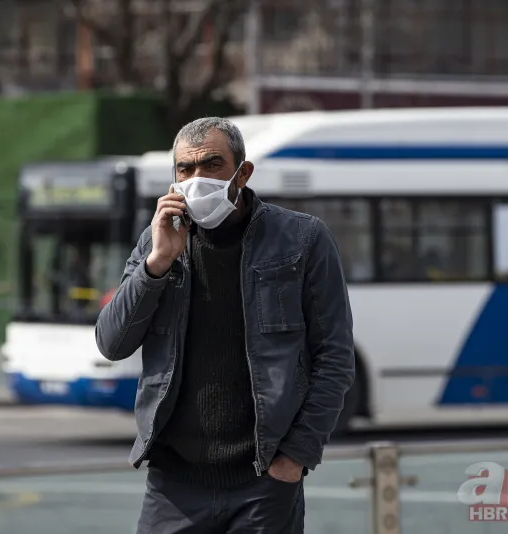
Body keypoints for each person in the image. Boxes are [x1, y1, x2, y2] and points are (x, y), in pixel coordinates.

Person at [95, 117, 355, 533]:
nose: (197, 179)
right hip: (172, 485)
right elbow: (111, 343)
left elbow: (335, 358)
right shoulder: (156, 242)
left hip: (262, 484)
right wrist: (156, 264)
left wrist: (295, 457)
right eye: (185, 169)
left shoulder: (303, 239)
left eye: (212, 165)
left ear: (242, 172)